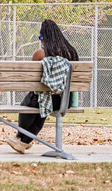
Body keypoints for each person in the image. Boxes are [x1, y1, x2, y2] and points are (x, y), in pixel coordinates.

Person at [7, 19, 79, 154]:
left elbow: (30, 80)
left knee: (32, 102)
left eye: (41, 37)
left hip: (44, 99)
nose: (40, 41)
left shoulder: (40, 54)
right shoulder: (71, 52)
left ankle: (18, 137)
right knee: (43, 108)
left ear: (44, 37)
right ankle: (23, 142)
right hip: (65, 101)